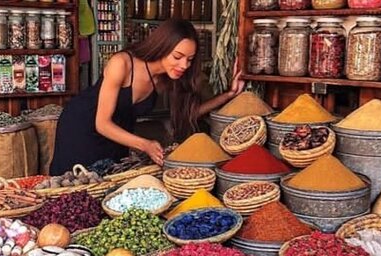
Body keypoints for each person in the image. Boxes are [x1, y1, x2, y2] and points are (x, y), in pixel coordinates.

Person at [50, 19, 245, 175]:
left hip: (119, 136)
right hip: (82, 126)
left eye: (190, 59)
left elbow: (189, 114)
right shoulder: (122, 63)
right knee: (77, 187)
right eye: (178, 57)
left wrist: (229, 94)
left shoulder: (165, 79)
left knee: (109, 186)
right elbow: (102, 123)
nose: (184, 65)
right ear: (162, 47)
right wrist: (145, 144)